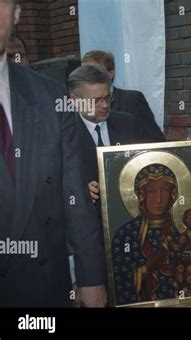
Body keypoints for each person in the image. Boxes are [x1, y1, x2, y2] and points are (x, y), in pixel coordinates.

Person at [0, 0, 106, 307]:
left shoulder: (50, 97)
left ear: (17, 13)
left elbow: (74, 193)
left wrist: (90, 277)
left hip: (42, 288)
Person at [67, 64, 146, 203]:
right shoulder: (64, 133)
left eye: (107, 97)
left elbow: (142, 166)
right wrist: (77, 188)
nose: (104, 105)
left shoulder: (128, 123)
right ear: (75, 101)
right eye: (96, 100)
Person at [112, 164, 182, 305]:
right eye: (151, 191)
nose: (159, 199)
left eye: (165, 190)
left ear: (173, 195)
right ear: (141, 195)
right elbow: (120, 279)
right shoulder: (126, 234)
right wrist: (145, 269)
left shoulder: (180, 230)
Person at [81, 50, 166, 143]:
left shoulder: (132, 100)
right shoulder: (78, 104)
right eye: (83, 73)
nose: (88, 77)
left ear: (111, 73)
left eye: (95, 72)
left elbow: (155, 141)